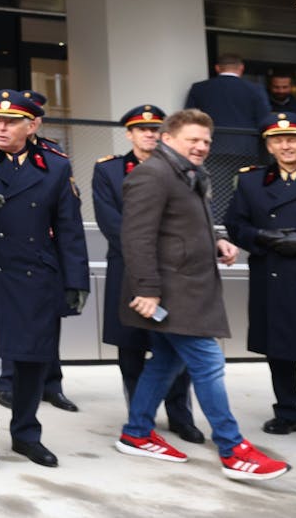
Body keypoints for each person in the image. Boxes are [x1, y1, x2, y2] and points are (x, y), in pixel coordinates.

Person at [114, 109, 290, 482]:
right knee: (208, 363)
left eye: (206, 141)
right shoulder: (153, 175)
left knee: (164, 362)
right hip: (171, 292)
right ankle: (232, 448)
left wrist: (217, 242)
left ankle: (137, 431)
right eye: (192, 139)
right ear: (168, 138)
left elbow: (180, 228)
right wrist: (147, 289)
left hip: (187, 288)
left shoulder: (188, 173)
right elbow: (136, 237)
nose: (201, 146)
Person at [0, 90, 89, 470]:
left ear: (33, 126)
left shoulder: (56, 167)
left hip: (35, 275)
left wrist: (76, 280)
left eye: (11, 122)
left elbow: (69, 228)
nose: (1, 127)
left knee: (32, 359)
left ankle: (27, 435)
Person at [93, 105, 203, 443]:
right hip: (127, 269)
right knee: (130, 349)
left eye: (156, 129)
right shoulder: (109, 171)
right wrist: (146, 254)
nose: (149, 134)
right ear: (129, 134)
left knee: (175, 344)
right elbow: (111, 222)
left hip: (171, 273)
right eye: (141, 129)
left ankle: (180, 416)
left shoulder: (182, 169)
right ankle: (141, 416)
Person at [223, 112, 296, 436]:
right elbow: (235, 225)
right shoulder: (250, 181)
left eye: (292, 139)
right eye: (277, 140)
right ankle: (288, 412)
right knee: (280, 352)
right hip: (272, 277)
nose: (285, 146)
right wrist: (263, 237)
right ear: (269, 147)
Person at [0, 89, 75, 414]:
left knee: (48, 322)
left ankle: (51, 384)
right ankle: (9, 383)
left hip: (46, 252)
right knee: (15, 324)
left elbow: (68, 204)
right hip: (12, 254)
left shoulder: (54, 156)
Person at [184, 53, 271, 220]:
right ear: (241, 68)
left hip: (211, 147)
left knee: (217, 189)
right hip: (247, 149)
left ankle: (218, 223)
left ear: (217, 68)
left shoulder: (200, 88)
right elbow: (264, 120)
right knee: (248, 188)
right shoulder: (255, 89)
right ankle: (243, 222)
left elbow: (189, 119)